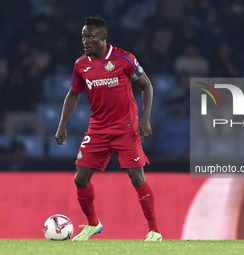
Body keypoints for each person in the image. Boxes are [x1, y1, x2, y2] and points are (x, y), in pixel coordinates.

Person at [55, 15, 161, 242]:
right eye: (83, 37)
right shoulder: (80, 65)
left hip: (126, 128)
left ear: (103, 37)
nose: (85, 41)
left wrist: (145, 119)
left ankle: (154, 231)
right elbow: (73, 94)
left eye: (90, 37)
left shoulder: (125, 59)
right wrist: (62, 125)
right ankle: (93, 224)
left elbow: (147, 85)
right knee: (80, 179)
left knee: (136, 177)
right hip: (97, 129)